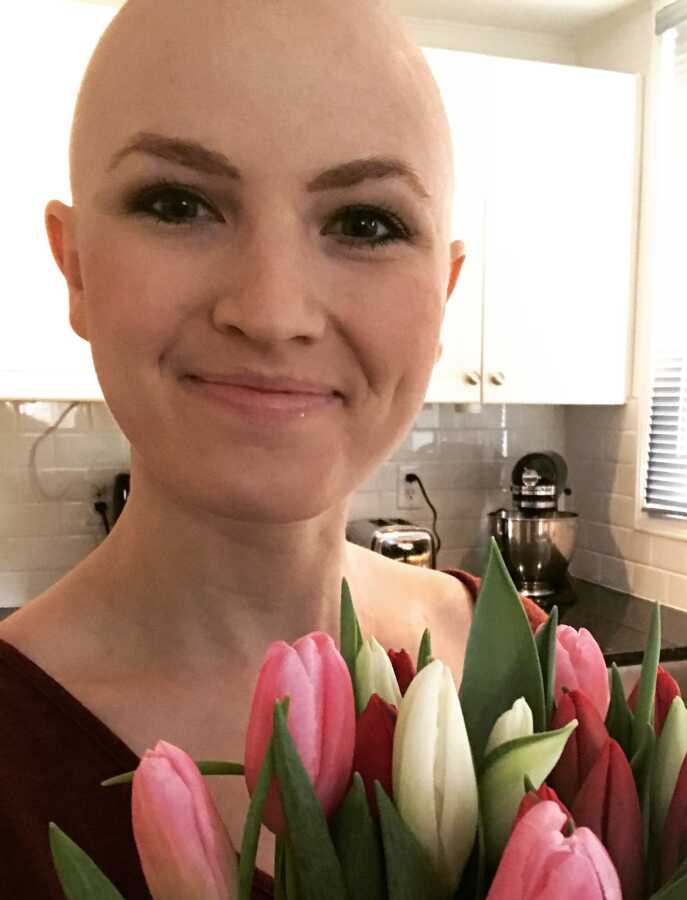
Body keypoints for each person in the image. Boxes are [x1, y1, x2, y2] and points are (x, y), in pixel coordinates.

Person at [0, 0, 545, 895]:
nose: (272, 310)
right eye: (177, 203)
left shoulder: (525, 674)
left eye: (366, 223)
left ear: (442, 298)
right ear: (77, 271)